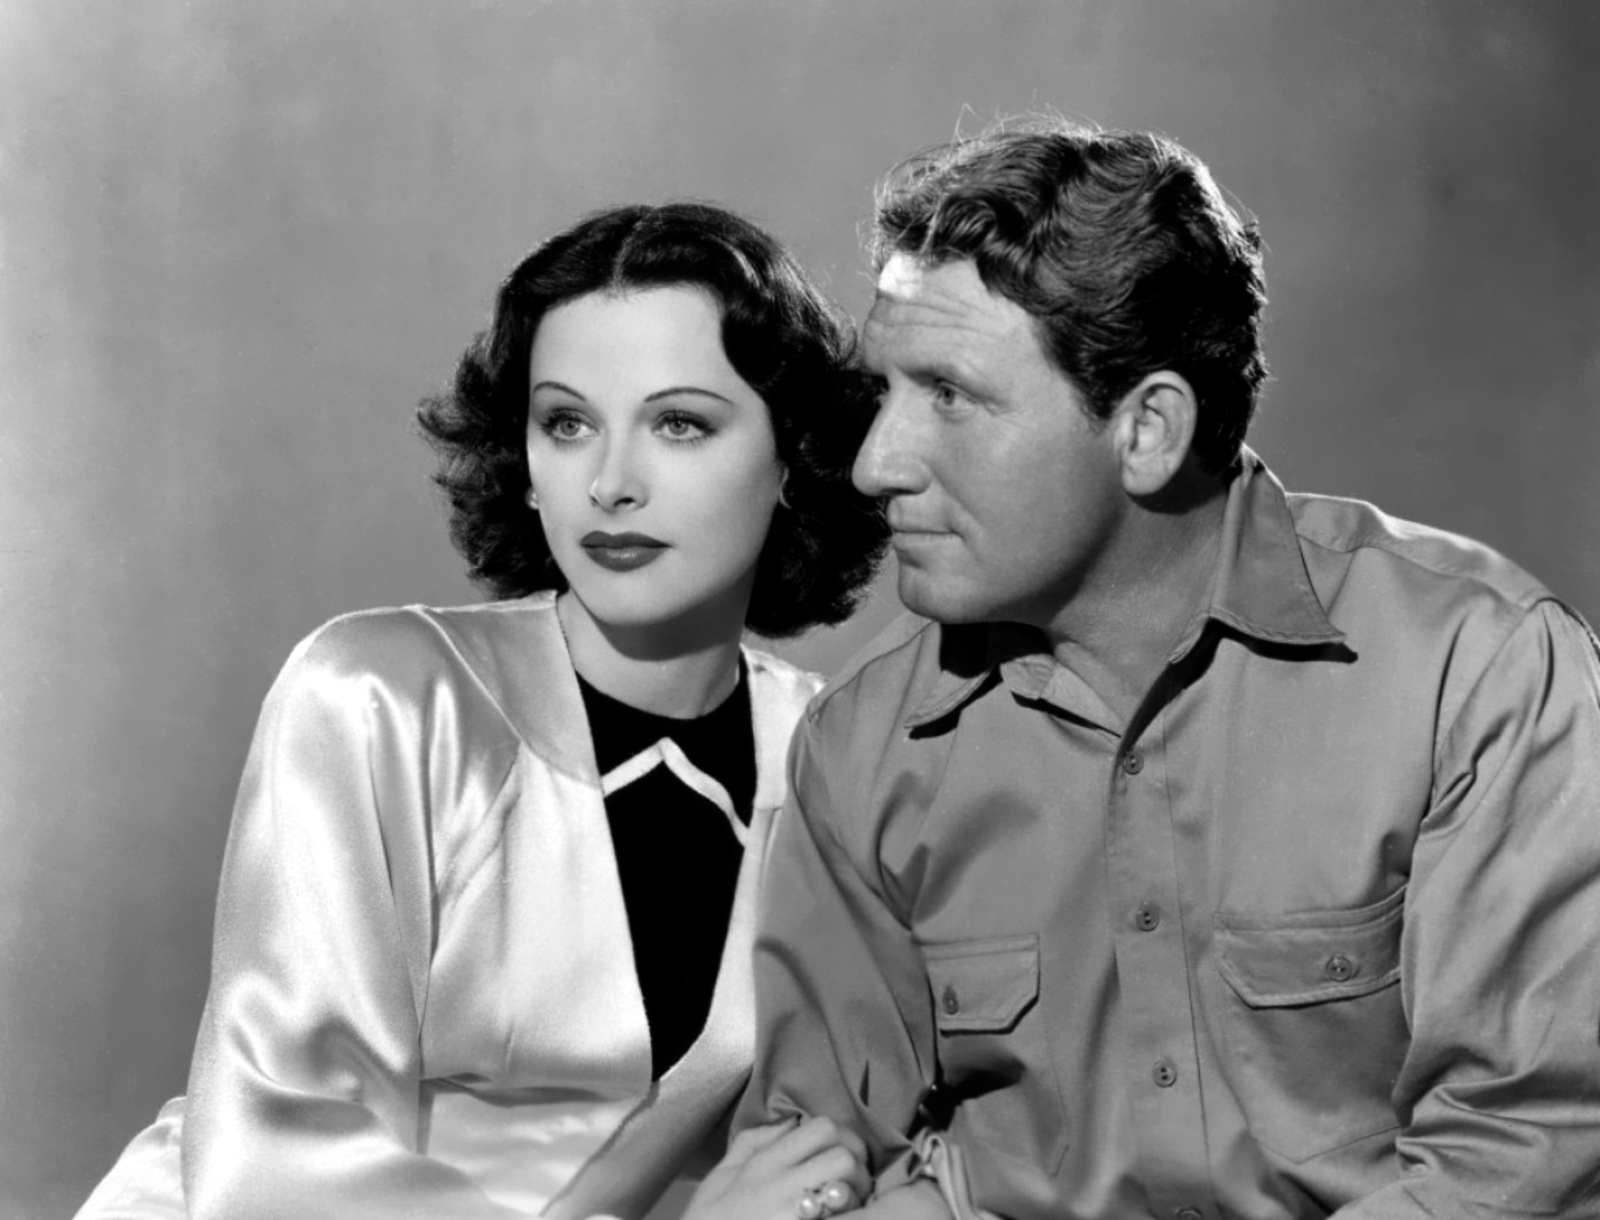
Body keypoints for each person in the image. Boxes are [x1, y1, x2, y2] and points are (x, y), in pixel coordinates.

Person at [739, 119, 1600, 1219]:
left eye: (949, 395)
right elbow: (814, 1164)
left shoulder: (1479, 672)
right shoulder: (861, 748)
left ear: (1147, 428)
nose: (875, 463)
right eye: (885, 394)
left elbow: (1527, 1153)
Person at [75, 202, 891, 1220]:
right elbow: (273, 1162)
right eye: (567, 423)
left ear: (793, 459)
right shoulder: (379, 698)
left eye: (680, 423)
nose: (610, 483)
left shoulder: (831, 757)